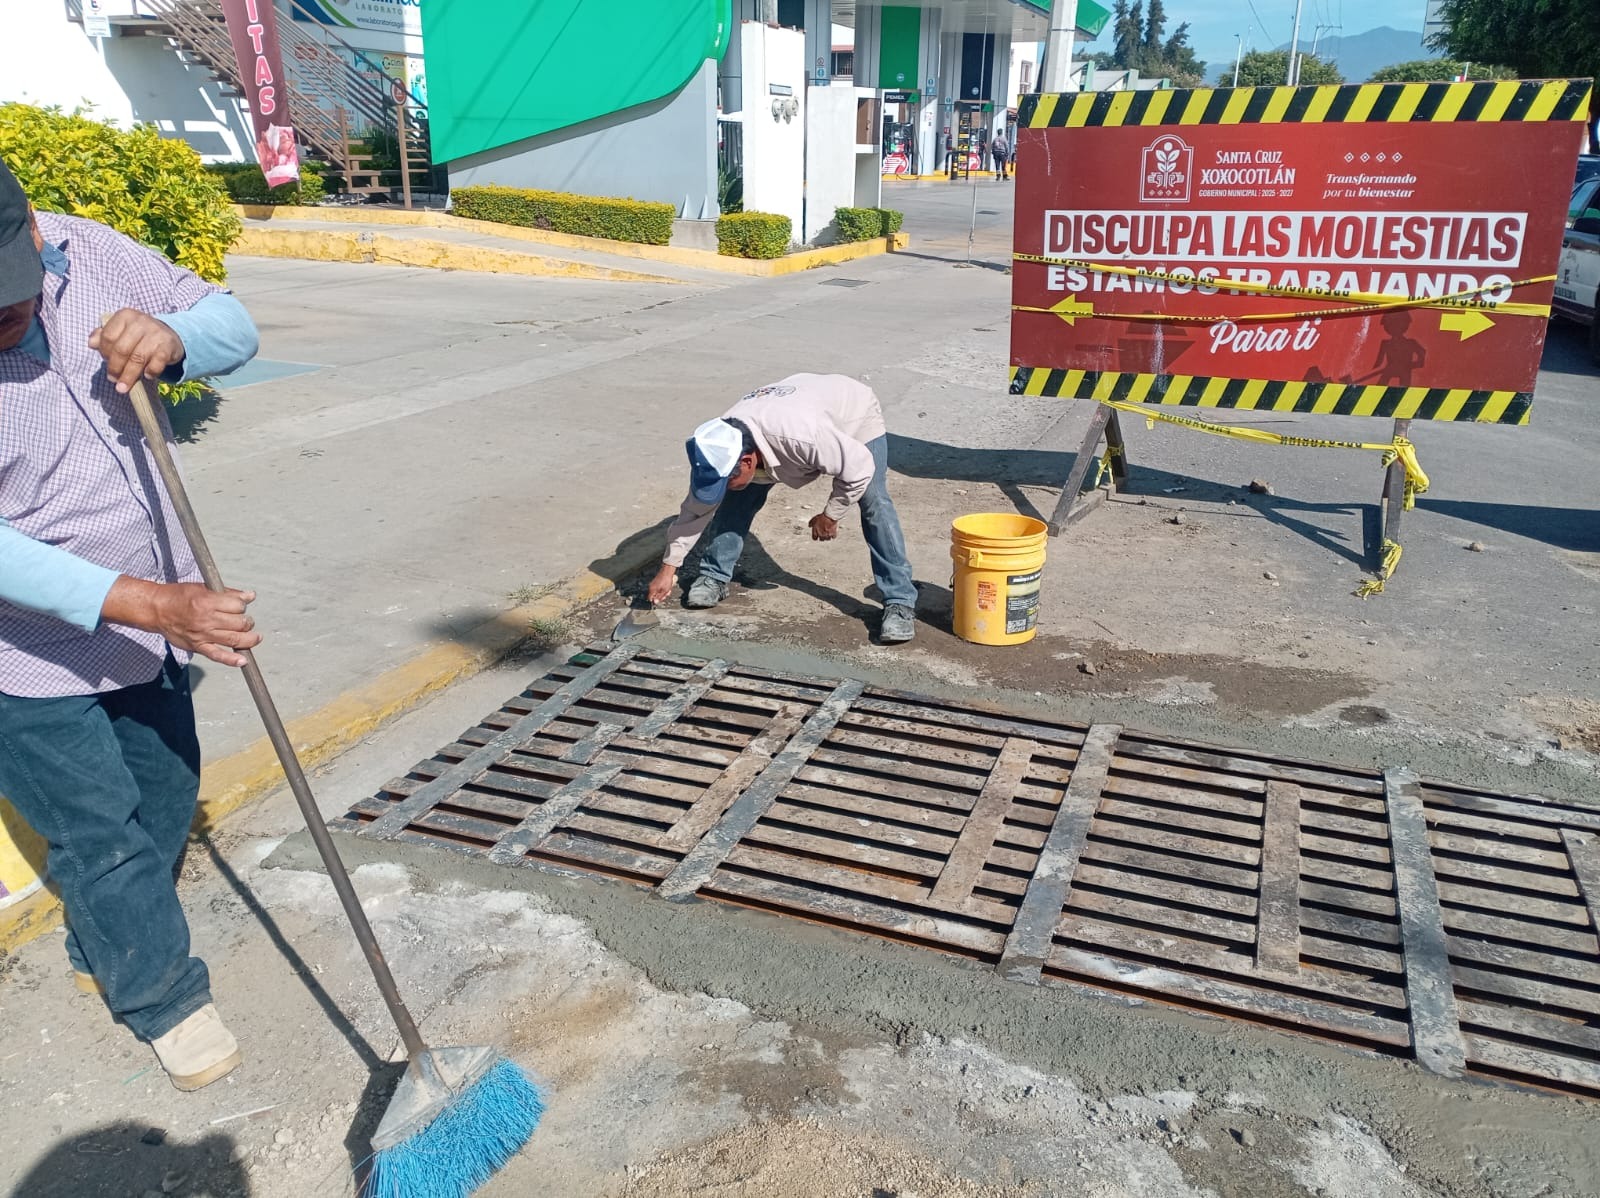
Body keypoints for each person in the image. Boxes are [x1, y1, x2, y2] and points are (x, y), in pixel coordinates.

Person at [0, 159, 261, 1091]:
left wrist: (177, 335)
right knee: (100, 834)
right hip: (24, 658)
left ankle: (106, 937)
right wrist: (154, 602)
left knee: (163, 796)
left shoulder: (94, 253)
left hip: (154, 629)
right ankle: (162, 998)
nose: (6, 320)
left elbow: (235, 324)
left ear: (34, 230)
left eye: (11, 293)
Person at [646, 374, 919, 644]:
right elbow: (696, 510)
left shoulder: (803, 437)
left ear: (748, 460)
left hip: (852, 413)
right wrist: (668, 569)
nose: (723, 485)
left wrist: (831, 514)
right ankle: (714, 576)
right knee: (735, 500)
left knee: (874, 501)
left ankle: (899, 601)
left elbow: (858, 468)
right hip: (790, 408)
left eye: (727, 479)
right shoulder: (716, 446)